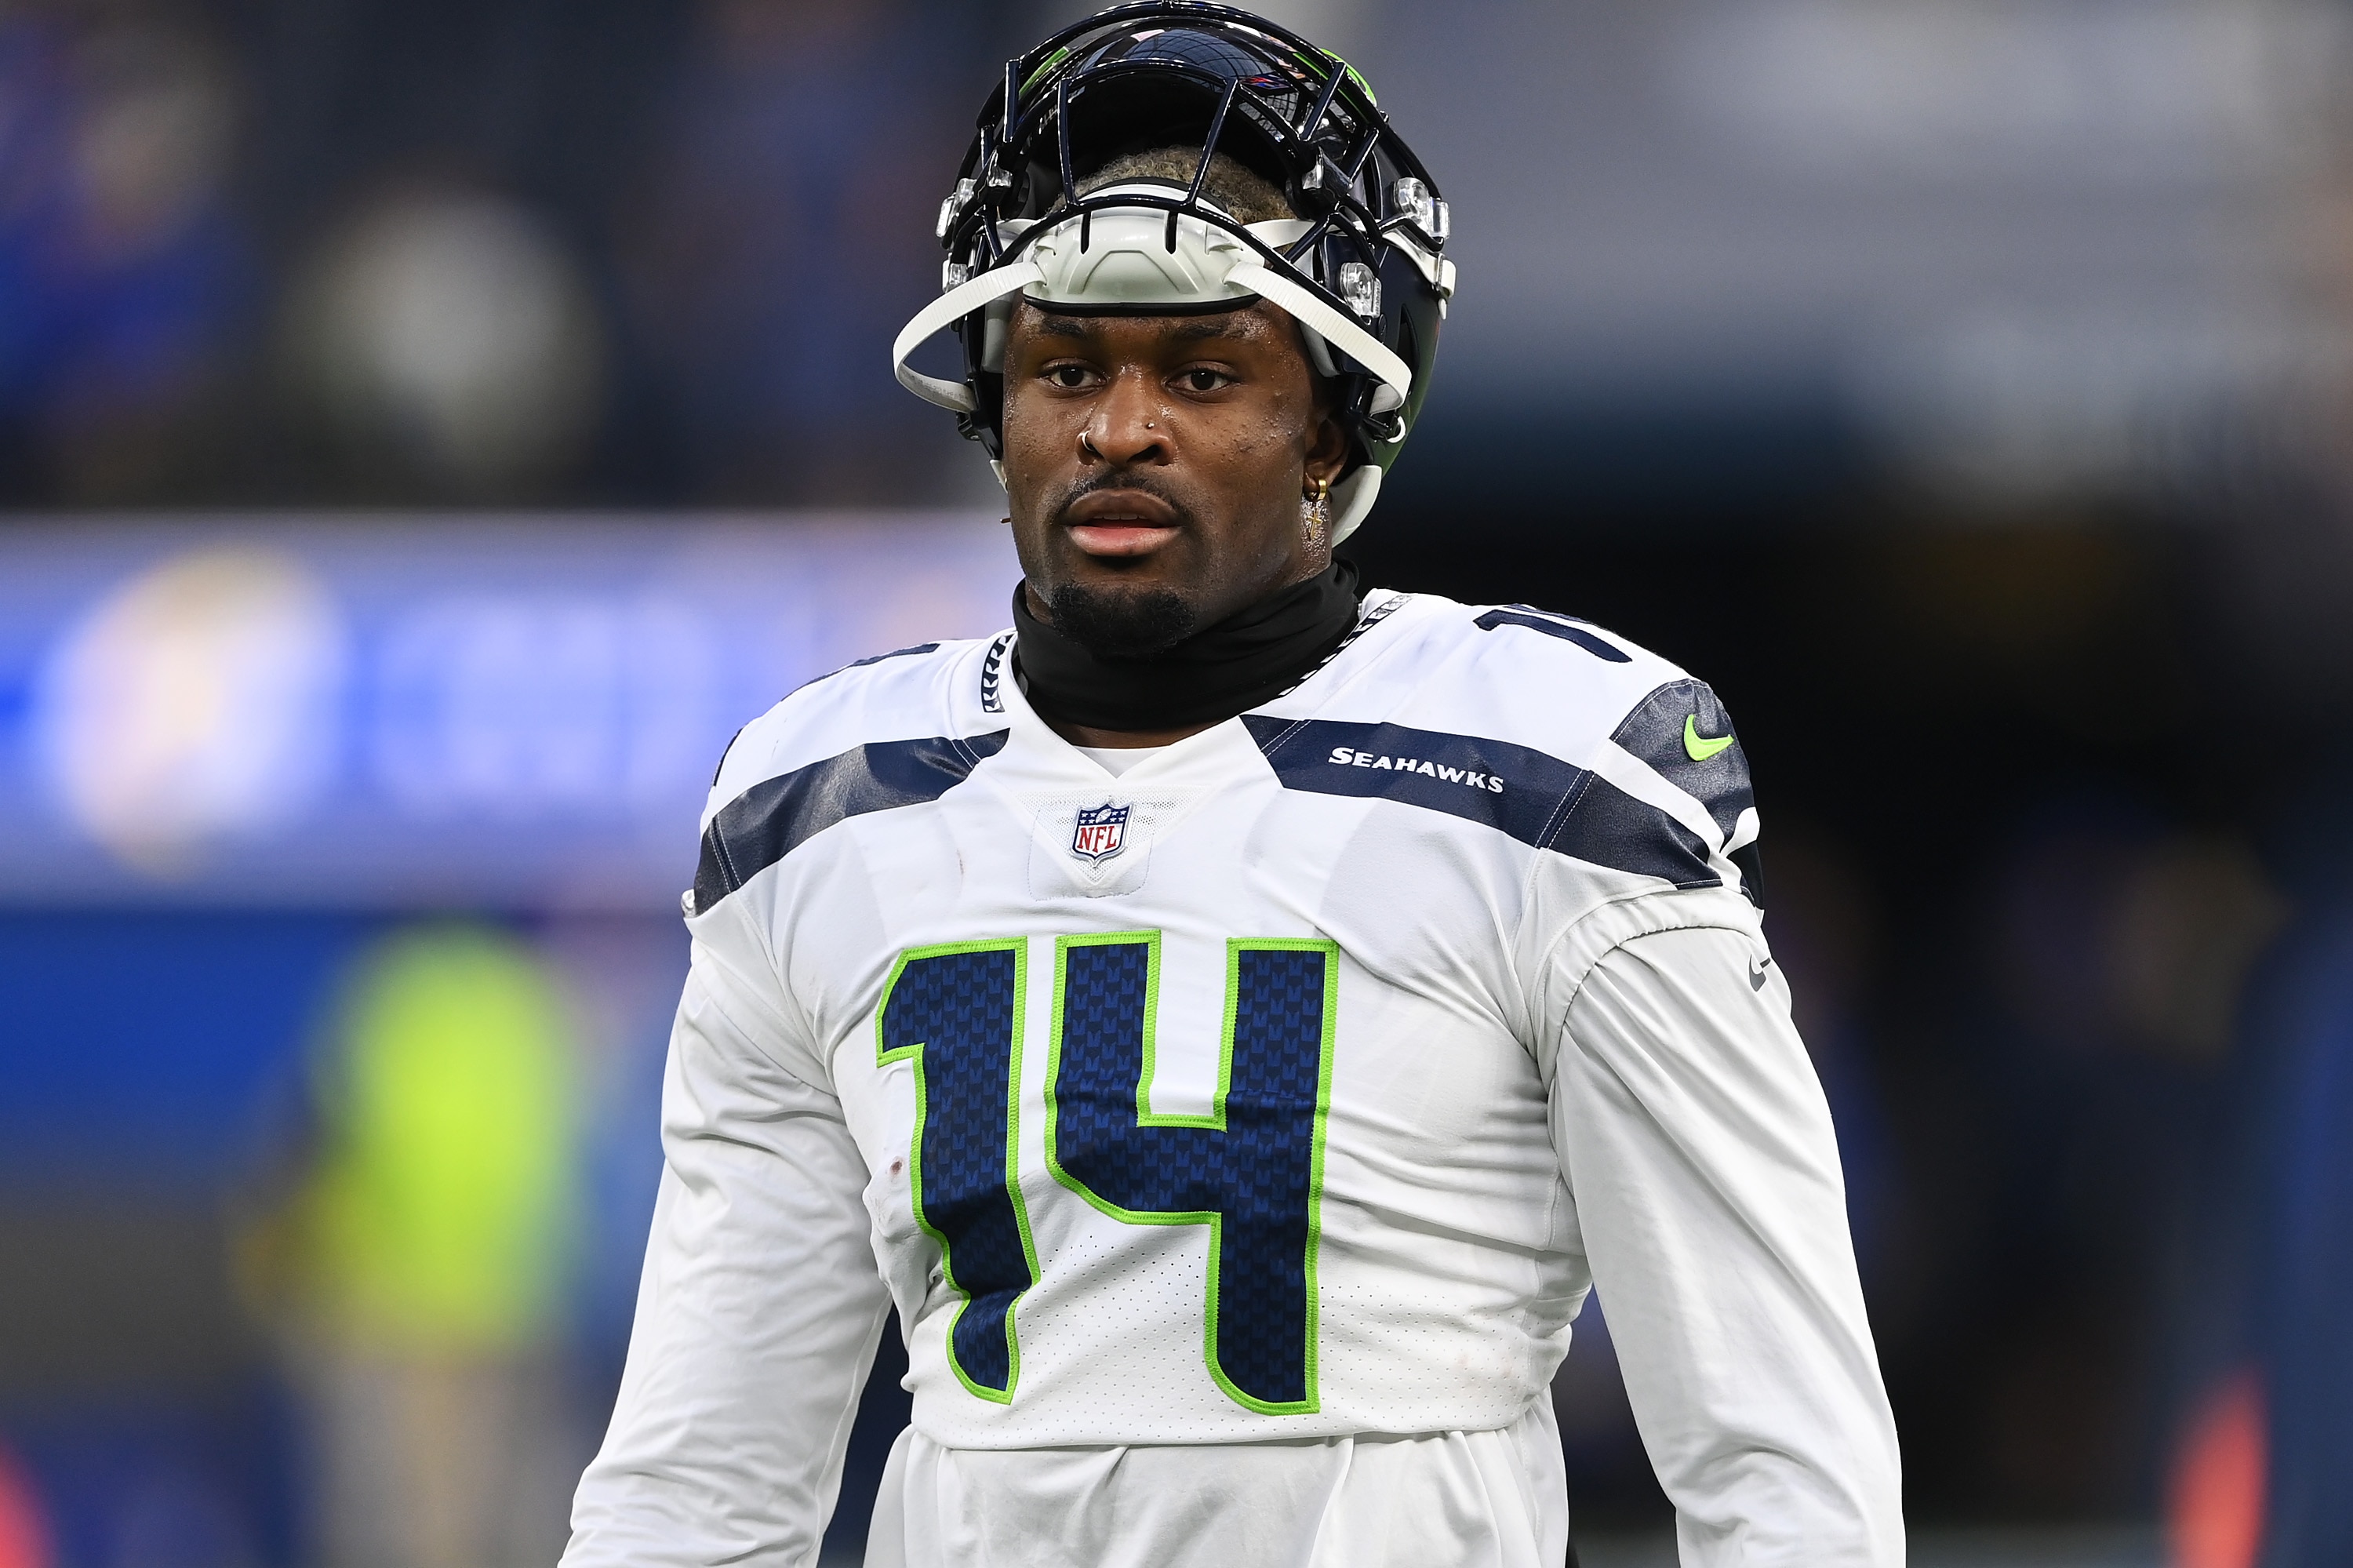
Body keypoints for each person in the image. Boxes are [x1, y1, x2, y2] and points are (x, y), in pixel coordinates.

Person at [565, 9, 1901, 1566]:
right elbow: (699, 1486)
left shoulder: (1552, 781)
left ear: (1334, 422)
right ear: (996, 406)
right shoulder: (820, 809)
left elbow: (1778, 1454)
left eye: (1202, 370)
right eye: (1068, 366)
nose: (1119, 429)